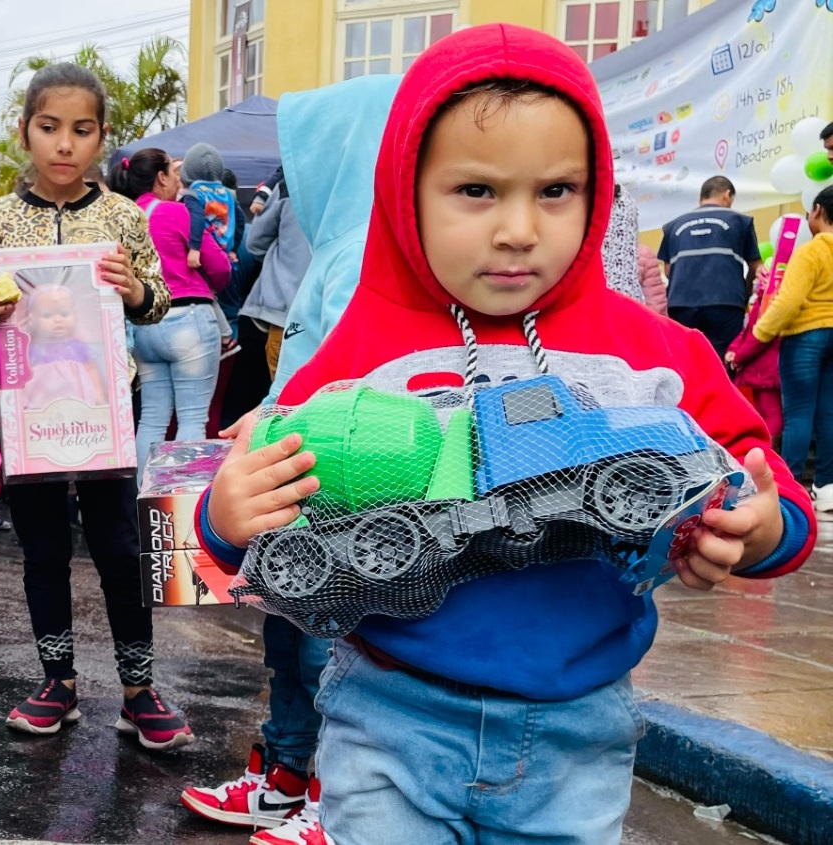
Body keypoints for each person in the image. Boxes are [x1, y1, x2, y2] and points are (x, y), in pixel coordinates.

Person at [198, 25, 813, 844]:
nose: (518, 229)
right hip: (391, 717)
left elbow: (769, 488)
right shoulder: (363, 345)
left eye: (555, 190)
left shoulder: (654, 353)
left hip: (577, 734)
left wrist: (760, 528)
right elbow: (261, 488)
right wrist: (226, 515)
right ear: (407, 191)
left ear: (596, 191)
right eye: (476, 191)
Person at [180, 73, 400, 845]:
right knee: (289, 638)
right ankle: (285, 774)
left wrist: (283, 417)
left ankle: (330, 797)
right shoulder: (340, 248)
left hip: (332, 490)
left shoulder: (367, 257)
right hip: (296, 479)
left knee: (323, 652)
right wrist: (268, 411)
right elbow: (308, 369)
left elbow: (354, 382)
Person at [0, 63, 194, 751]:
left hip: (105, 406)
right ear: (24, 132)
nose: (64, 144)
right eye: (49, 127)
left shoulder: (123, 216)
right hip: (29, 409)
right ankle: (57, 681)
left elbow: (158, 300)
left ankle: (138, 688)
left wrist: (133, 289)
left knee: (118, 548)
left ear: (101, 137)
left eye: (81, 130)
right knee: (43, 549)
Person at [108, 148, 231, 475]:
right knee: (192, 418)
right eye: (175, 174)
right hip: (189, 320)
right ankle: (184, 498)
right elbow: (220, 268)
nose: (179, 181)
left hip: (142, 325)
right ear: (161, 178)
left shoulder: (124, 216)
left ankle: (142, 495)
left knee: (151, 418)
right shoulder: (177, 212)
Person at [754, 186, 833, 510]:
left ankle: (792, 488)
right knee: (829, 413)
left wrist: (760, 333)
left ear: (818, 211)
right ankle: (827, 489)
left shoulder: (810, 252)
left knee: (798, 414)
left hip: (804, 338)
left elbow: (788, 302)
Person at [658, 176, 763, 357]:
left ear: (701, 198)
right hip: (726, 302)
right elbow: (756, 267)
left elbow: (668, 270)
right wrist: (745, 293)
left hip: (681, 304)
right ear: (727, 195)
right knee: (723, 361)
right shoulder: (740, 221)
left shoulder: (672, 226)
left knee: (687, 360)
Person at [242, 179, 312, 380]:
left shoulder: (290, 184)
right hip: (340, 318)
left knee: (283, 391)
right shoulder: (361, 182)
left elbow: (255, 243)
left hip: (285, 313)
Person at [22, 284, 108, 410]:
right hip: (41, 400)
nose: (58, 320)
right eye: (47, 315)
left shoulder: (77, 347)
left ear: (75, 314)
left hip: (77, 399)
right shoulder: (32, 349)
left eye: (65, 313)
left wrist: (97, 392)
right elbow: (23, 374)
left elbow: (91, 369)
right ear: (31, 319)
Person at [726, 265, 783, 443]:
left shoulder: (769, 302)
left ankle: (770, 451)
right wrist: (734, 348)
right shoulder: (762, 301)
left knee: (771, 412)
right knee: (766, 411)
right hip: (762, 368)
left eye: (760, 277)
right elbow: (748, 330)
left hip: (764, 368)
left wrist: (738, 356)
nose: (757, 281)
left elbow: (758, 336)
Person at [181, 143, 239, 269]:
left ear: (187, 172)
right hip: (226, 250)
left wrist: (194, 247)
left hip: (205, 253)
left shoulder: (194, 194)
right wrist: (233, 249)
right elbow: (240, 219)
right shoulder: (228, 194)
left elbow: (197, 218)